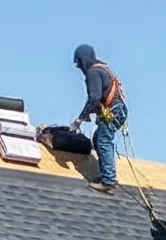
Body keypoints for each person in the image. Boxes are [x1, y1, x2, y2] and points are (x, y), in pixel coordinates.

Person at [43, 43, 128, 188]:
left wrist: (80, 119)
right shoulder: (102, 68)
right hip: (118, 111)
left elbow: (94, 98)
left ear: (83, 60)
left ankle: (108, 181)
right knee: (98, 138)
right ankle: (108, 174)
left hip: (114, 111)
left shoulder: (93, 72)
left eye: (79, 63)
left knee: (103, 141)